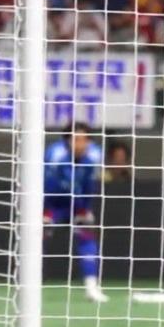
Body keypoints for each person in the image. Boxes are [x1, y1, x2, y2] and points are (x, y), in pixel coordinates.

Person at [44, 122, 107, 303]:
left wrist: (85, 208)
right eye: (76, 139)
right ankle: (26, 283)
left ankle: (91, 287)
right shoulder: (55, 156)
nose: (80, 143)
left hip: (77, 203)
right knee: (36, 238)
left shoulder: (95, 155)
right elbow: (46, 184)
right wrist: (44, 210)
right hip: (52, 202)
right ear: (67, 141)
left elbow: (89, 182)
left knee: (87, 238)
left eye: (84, 139)